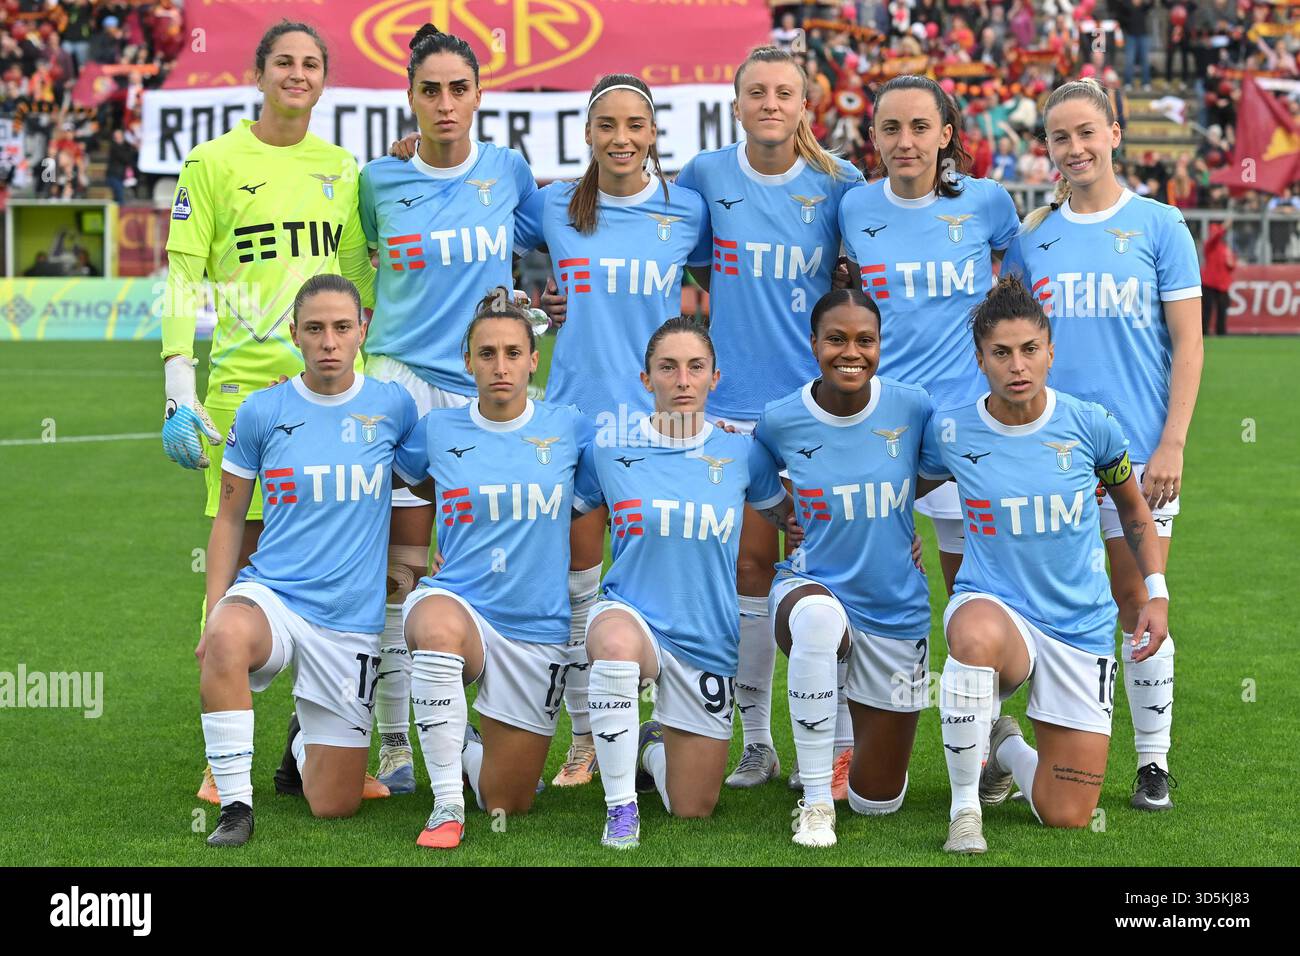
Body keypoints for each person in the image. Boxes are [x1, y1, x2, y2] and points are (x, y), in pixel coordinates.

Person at [160, 20, 379, 805]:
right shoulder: (213, 163)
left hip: (331, 396)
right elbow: (184, 271)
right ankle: (225, 763)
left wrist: (368, 370)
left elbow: (360, 282)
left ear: (324, 80)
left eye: (310, 64)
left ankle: (316, 742)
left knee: (341, 564)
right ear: (259, 73)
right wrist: (178, 379)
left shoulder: (341, 169)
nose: (296, 74)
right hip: (247, 400)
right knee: (241, 562)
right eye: (283, 62)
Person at [1002, 77, 1201, 812]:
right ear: (1047, 148)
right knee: (1047, 604)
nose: (1076, 147)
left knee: (1138, 597)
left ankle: (1152, 762)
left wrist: (1171, 443)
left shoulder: (1160, 225)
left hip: (1140, 462)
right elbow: (1012, 345)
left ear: (1115, 133)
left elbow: (1188, 344)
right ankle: (1032, 744)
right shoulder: (1033, 237)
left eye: (1088, 132)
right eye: (1060, 137)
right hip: (1050, 461)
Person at [673, 45, 864, 790]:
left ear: (805, 102)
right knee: (748, 573)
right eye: (756, 92)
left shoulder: (839, 184)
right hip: (727, 414)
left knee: (830, 577)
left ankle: (842, 741)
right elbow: (663, 257)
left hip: (815, 415)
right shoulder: (706, 177)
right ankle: (758, 741)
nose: (770, 104)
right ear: (737, 100)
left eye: (784, 92)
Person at [514, 73, 710, 788]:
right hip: (575, 415)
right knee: (577, 583)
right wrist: (535, 307)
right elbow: (487, 247)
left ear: (653, 134)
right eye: (606, 126)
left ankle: (667, 717)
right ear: (588, 135)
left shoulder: (685, 210)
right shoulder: (555, 207)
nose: (621, 139)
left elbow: (743, 273)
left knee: (660, 578)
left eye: (635, 125)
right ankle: (587, 733)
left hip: (660, 422)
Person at [357, 24, 538, 794]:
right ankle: (395, 744)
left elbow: (548, 248)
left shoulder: (510, 171)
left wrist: (541, 309)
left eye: (458, 88)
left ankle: (500, 723)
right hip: (400, 388)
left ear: (478, 95)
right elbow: (363, 261)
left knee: (483, 559)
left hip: (484, 387)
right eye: (429, 89)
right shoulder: (377, 181)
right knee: (400, 566)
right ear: (410, 97)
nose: (444, 103)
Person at [930, 276, 1169, 854]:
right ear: (980, 358)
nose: (1018, 365)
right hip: (997, 609)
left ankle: (1004, 744)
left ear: (1050, 351)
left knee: (1068, 814)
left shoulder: (1091, 424)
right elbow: (895, 486)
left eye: (1030, 349)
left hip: (1078, 627)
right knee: (972, 634)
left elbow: (1133, 508)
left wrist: (1155, 592)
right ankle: (965, 811)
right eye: (1002, 353)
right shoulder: (951, 430)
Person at [197, 275, 420, 847]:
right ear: (294, 333)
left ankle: (302, 744)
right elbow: (229, 517)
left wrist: (416, 566)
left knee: (335, 806)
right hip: (275, 597)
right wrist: (214, 608)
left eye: (342, 328)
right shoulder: (261, 410)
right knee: (225, 635)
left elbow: (424, 486)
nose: (329, 341)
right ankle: (236, 808)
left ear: (362, 332)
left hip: (350, 619)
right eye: (315, 328)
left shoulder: (393, 406)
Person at [580, 318, 794, 849]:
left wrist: (897, 536)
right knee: (613, 645)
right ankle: (620, 808)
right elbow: (555, 514)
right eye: (667, 367)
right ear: (645, 377)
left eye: (695, 367)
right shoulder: (608, 451)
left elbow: (796, 519)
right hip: (631, 616)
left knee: (692, 808)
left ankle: (647, 747)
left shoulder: (743, 454)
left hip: (706, 639)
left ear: (714, 378)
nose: (682, 379)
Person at [395, 291, 595, 849]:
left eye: (512, 353)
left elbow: (622, 483)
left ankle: (459, 736)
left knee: (509, 801)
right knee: (435, 627)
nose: (500, 366)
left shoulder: (570, 429)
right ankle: (444, 807)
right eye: (486, 354)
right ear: (468, 362)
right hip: (459, 604)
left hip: (535, 629)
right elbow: (399, 474)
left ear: (534, 360)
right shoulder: (438, 430)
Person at [755, 289, 946, 846]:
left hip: (894, 607)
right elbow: (758, 476)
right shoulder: (781, 418)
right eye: (836, 339)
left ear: (881, 344)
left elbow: (934, 473)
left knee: (877, 802)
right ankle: (815, 802)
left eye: (865, 340)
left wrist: (897, 519)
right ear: (813, 343)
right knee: (816, 621)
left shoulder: (913, 407)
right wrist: (790, 517)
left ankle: (854, 759)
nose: (851, 352)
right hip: (812, 586)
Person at [839, 74, 1021, 597]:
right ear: (873, 136)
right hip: (879, 420)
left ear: (945, 134)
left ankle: (978, 681)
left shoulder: (986, 201)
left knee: (974, 590)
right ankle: (892, 681)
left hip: (966, 418)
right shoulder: (854, 207)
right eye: (891, 128)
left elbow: (1020, 290)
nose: (906, 142)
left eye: (920, 127)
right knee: (875, 587)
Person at [1200, 220, 1235, 336]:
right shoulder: (1209, 245)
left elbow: (1231, 264)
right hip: (1209, 283)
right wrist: (1224, 227)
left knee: (1222, 311)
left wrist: (1231, 264)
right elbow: (1215, 237)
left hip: (1222, 285)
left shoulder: (1225, 248)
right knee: (1206, 311)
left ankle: (1221, 333)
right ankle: (1204, 332)